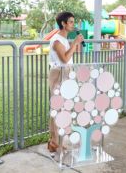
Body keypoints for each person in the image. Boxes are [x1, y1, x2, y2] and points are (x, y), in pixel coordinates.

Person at [48, 12, 84, 154]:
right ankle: (53, 141)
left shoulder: (64, 39)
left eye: (73, 22)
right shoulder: (57, 40)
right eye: (70, 22)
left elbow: (69, 57)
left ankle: (58, 140)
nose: (72, 24)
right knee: (57, 108)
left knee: (64, 108)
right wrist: (75, 43)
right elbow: (64, 59)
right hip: (58, 73)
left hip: (67, 72)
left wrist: (76, 44)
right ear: (63, 23)